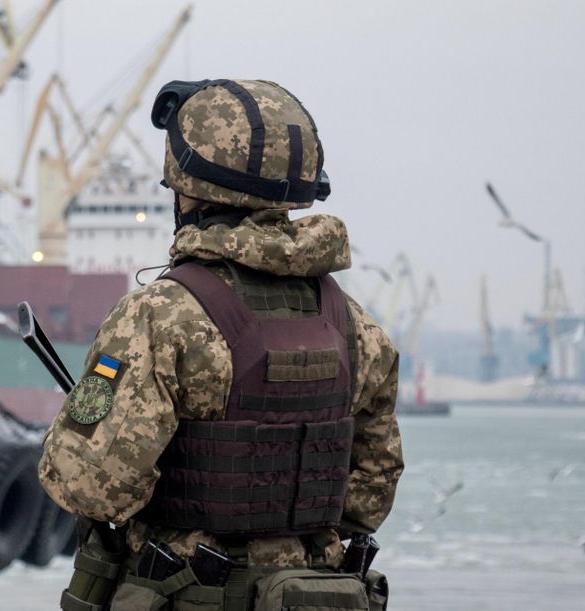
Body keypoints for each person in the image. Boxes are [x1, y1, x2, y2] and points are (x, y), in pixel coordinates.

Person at [38, 79, 403, 611]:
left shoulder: (158, 316)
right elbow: (371, 495)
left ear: (188, 188)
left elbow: (91, 485)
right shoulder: (355, 327)